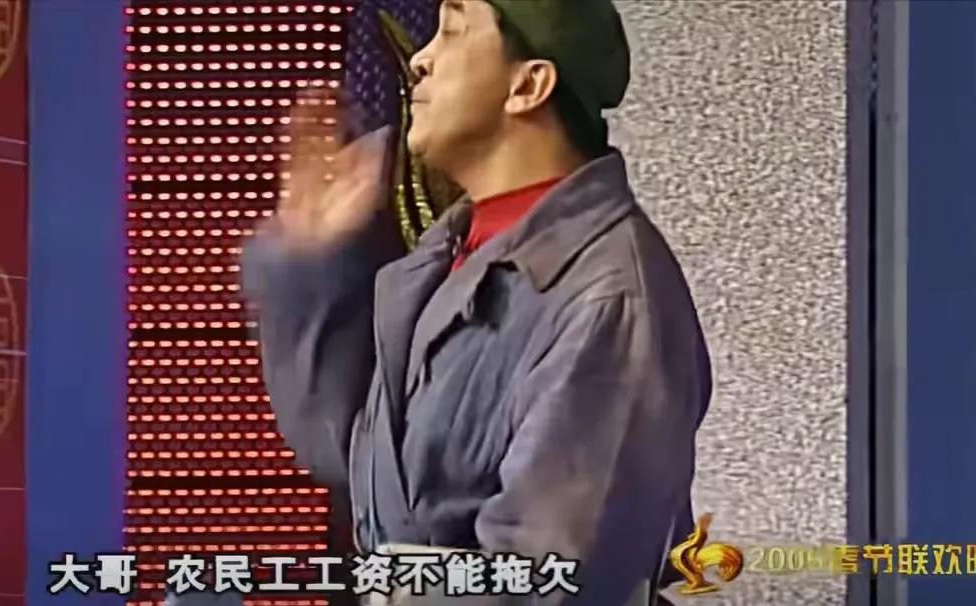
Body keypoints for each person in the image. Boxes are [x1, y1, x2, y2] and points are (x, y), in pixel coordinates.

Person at [241, 0, 712, 604]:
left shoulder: (610, 299)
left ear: (528, 86)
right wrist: (312, 270)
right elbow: (355, 463)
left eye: (454, 32)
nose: (421, 60)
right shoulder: (447, 257)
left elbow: (551, 581)